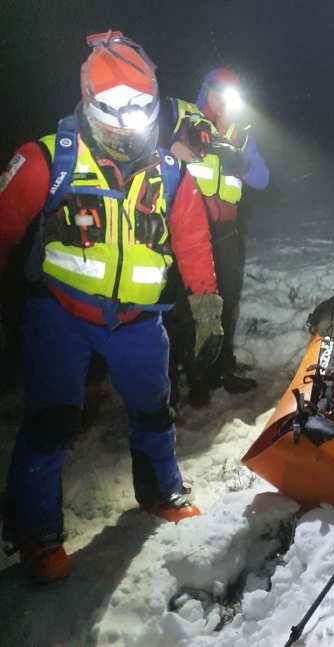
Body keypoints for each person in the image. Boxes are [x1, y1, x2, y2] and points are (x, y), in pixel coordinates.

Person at [0, 31, 224, 583]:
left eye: (140, 106)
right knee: (50, 424)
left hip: (138, 324)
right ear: (90, 102)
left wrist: (207, 304)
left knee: (154, 412)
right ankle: (36, 533)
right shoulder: (47, 158)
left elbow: (193, 241)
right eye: (113, 106)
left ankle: (159, 491)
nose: (127, 119)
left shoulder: (171, 174)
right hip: (61, 316)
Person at [161, 67, 270, 407]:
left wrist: (238, 160)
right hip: (188, 231)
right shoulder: (182, 117)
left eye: (232, 95)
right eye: (218, 92)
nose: (224, 101)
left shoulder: (241, 132)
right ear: (205, 89)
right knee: (185, 306)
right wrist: (173, 145)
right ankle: (188, 376)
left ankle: (221, 368)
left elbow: (263, 178)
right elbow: (147, 141)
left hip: (227, 232)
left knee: (228, 301)